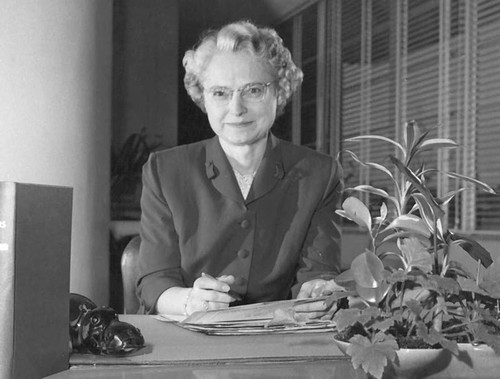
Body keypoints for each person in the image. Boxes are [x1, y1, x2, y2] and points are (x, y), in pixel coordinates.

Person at [136, 20, 343, 318]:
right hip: (187, 338)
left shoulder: (321, 175)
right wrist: (189, 301)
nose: (236, 108)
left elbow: (318, 275)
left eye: (253, 90)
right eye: (220, 93)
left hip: (277, 342)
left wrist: (318, 292)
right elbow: (155, 281)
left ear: (279, 90)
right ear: (203, 96)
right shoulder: (165, 171)